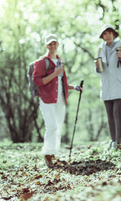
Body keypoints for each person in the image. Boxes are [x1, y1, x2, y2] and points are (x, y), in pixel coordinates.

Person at [33, 34, 82, 168]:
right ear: (46, 46)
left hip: (60, 98)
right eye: (50, 44)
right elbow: (37, 81)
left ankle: (53, 152)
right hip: (47, 99)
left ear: (58, 45)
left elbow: (61, 83)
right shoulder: (42, 62)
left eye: (54, 44)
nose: (52, 46)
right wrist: (54, 73)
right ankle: (47, 155)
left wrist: (74, 87)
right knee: (51, 126)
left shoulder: (60, 61)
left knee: (58, 127)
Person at [95, 24, 121, 150]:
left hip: (119, 85)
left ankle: (118, 142)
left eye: (109, 33)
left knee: (117, 113)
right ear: (102, 36)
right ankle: (113, 141)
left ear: (113, 34)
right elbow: (99, 70)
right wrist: (97, 67)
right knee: (109, 114)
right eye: (105, 34)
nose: (107, 36)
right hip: (106, 86)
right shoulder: (100, 49)